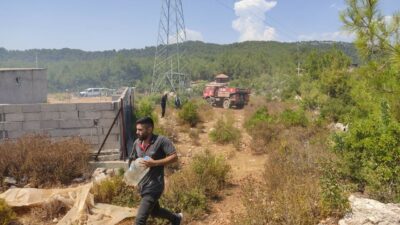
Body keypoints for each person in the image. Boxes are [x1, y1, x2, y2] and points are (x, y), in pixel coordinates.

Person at [129, 117, 183, 225]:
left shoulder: (161, 141)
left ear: (149, 129)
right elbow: (133, 159)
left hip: (154, 186)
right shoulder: (137, 143)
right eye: (137, 129)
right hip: (143, 186)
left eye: (140, 130)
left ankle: (176, 219)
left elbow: (174, 157)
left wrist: (155, 163)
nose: (137, 132)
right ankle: (176, 219)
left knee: (139, 221)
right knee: (155, 211)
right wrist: (131, 177)